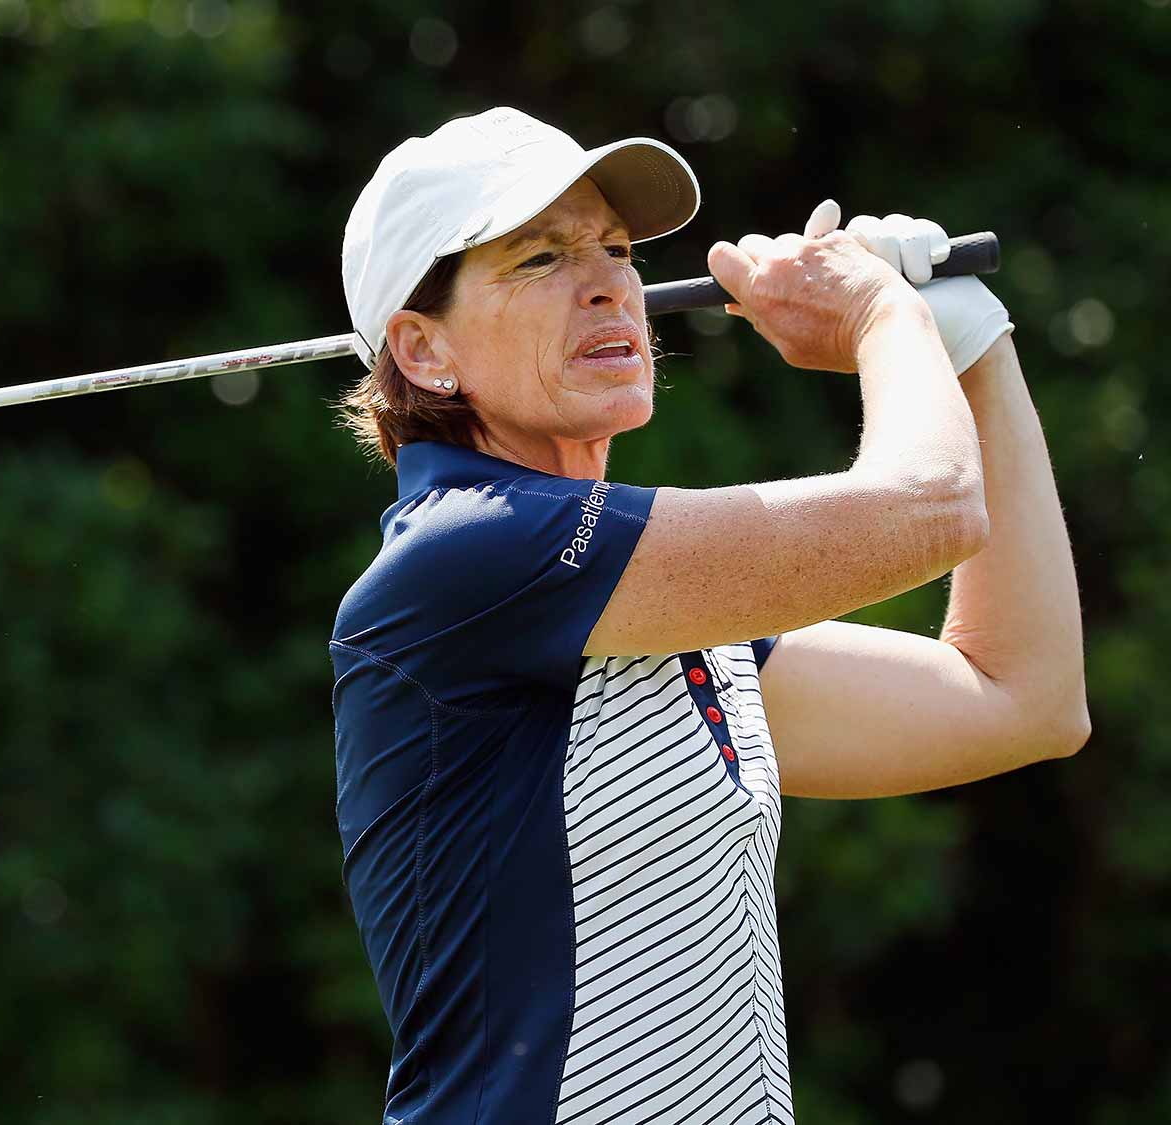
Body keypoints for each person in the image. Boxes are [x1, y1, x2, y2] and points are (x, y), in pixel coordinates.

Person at [329, 107, 1088, 1125]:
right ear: (422, 351)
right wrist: (879, 317)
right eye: (538, 258)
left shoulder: (658, 620)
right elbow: (931, 510)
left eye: (611, 248)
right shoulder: (464, 554)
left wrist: (971, 348)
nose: (607, 283)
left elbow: (1022, 700)